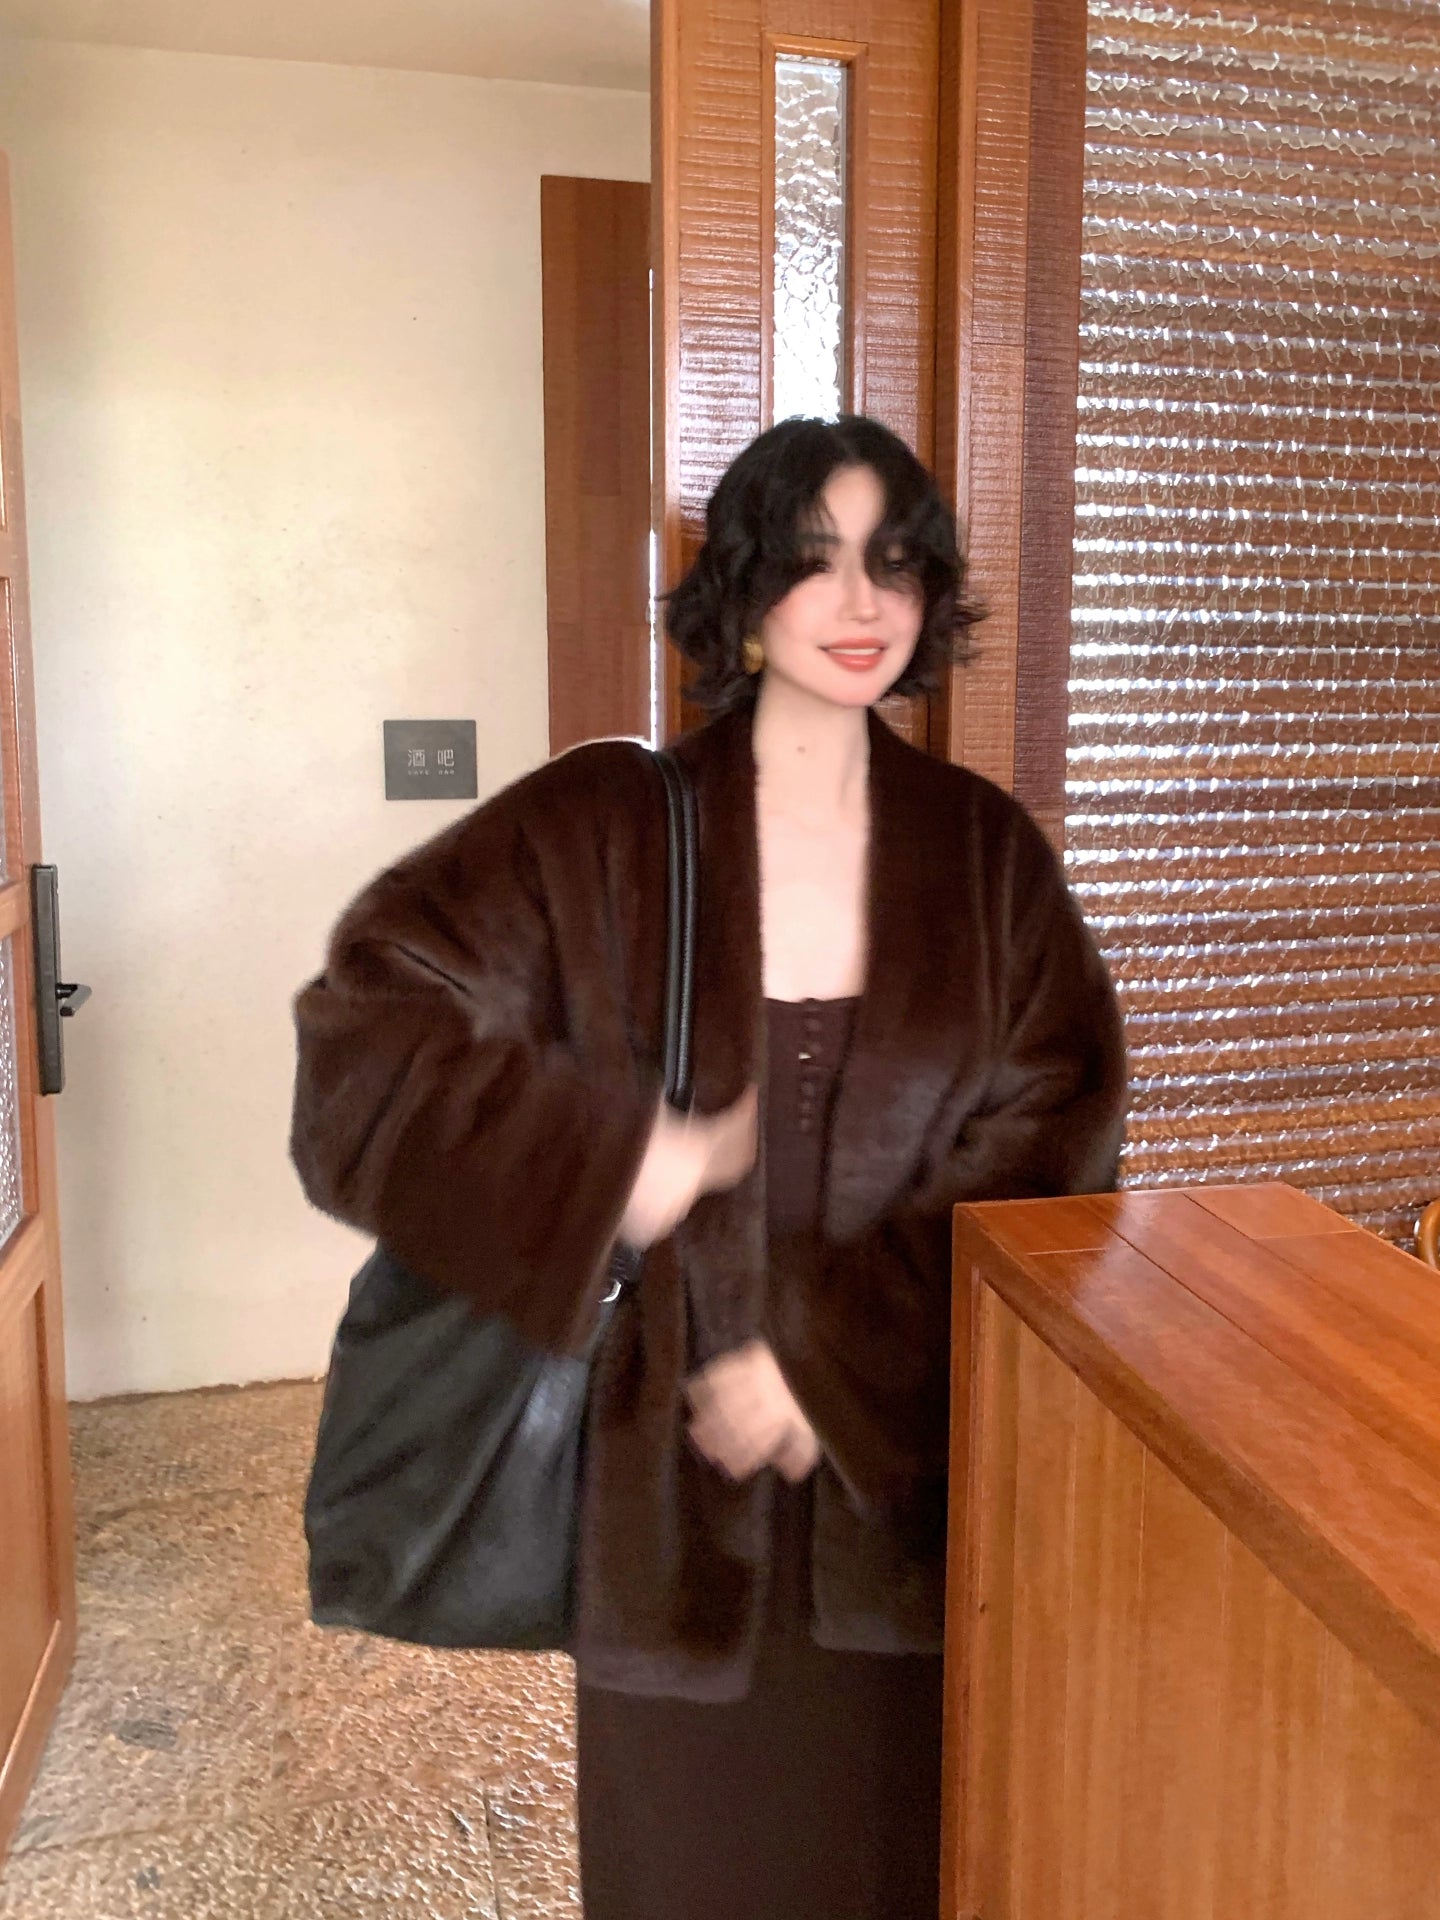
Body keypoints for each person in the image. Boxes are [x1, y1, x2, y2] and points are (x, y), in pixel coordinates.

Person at [290, 414, 1127, 1918]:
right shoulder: (607, 827)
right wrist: (608, 1163)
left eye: (894, 562)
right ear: (742, 595)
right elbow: (369, 1027)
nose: (860, 601)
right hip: (669, 1476)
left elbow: (1056, 1134)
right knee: (692, 1863)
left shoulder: (986, 854)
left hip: (912, 1490)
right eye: (813, 561)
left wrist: (834, 1360)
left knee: (908, 1856)